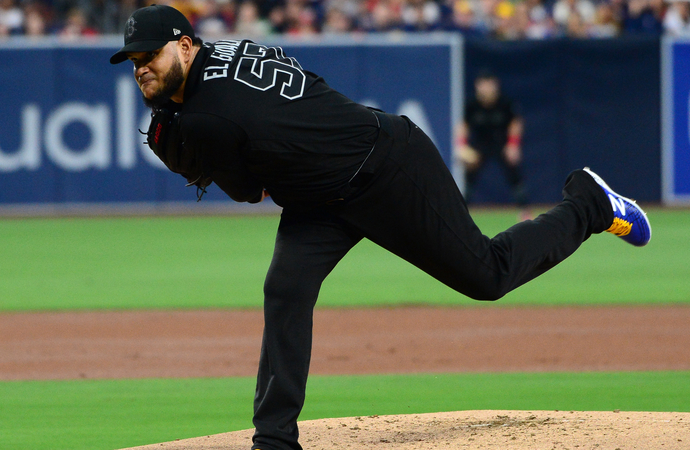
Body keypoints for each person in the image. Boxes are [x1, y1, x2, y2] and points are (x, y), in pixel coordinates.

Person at [109, 6, 651, 450]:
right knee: (286, 290)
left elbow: (249, 190)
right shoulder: (233, 50)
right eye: (132, 61)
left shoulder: (207, 118)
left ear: (183, 46)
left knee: (487, 275)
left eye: (148, 55)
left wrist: (186, 147)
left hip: (386, 170)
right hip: (319, 197)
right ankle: (274, 439)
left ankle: (590, 204)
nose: (140, 68)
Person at [457, 70, 529, 212]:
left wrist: (513, 145)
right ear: (477, 85)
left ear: (496, 85)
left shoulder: (504, 103)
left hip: (502, 144)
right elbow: (463, 126)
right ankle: (460, 215)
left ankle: (525, 213)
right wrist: (461, 146)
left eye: (490, 84)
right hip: (480, 145)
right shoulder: (472, 105)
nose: (487, 88)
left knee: (514, 177)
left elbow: (515, 123)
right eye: (483, 84)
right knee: (469, 180)